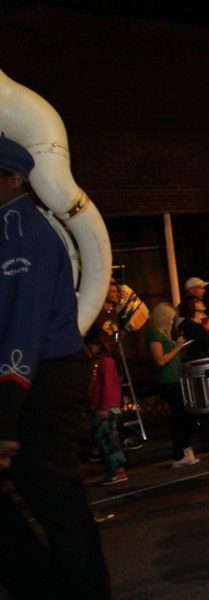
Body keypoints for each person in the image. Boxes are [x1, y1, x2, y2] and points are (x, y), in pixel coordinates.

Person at [0, 135, 111, 599]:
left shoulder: (24, 228)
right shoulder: (12, 226)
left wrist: (6, 415)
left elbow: (23, 325)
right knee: (50, 499)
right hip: (33, 376)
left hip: (39, 378)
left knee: (57, 502)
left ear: (14, 178)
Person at [146, 303, 201, 467]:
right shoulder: (154, 335)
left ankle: (184, 450)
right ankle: (180, 452)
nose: (172, 322)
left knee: (183, 416)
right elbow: (160, 360)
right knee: (180, 417)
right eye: (170, 319)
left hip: (176, 379)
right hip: (168, 381)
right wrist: (177, 348)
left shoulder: (163, 334)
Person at [177, 295, 209, 452]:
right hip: (200, 365)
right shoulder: (192, 325)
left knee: (207, 402)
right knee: (207, 402)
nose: (202, 302)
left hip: (201, 364)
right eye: (197, 301)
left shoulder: (192, 324)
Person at [85, 330, 128, 486]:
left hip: (107, 407)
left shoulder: (105, 362)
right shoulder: (98, 362)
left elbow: (108, 386)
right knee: (103, 439)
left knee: (109, 439)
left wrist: (104, 407)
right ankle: (114, 469)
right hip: (101, 406)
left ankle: (118, 470)